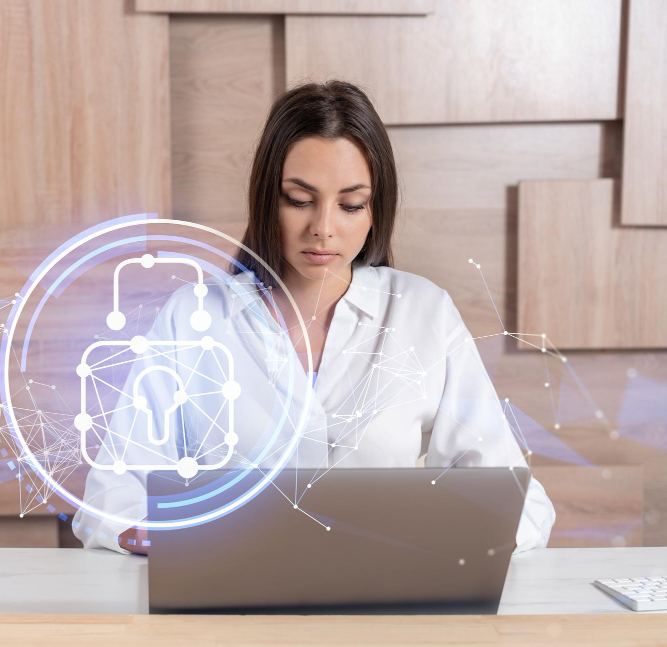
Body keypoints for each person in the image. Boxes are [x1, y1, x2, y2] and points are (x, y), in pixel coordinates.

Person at [72, 79, 555, 555]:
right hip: (231, 614)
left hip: (382, 610)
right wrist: (180, 539)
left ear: (375, 209)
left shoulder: (423, 313)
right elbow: (112, 498)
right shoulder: (195, 317)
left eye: (350, 205)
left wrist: (452, 542)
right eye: (299, 200)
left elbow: (521, 504)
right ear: (267, 199)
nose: (322, 228)